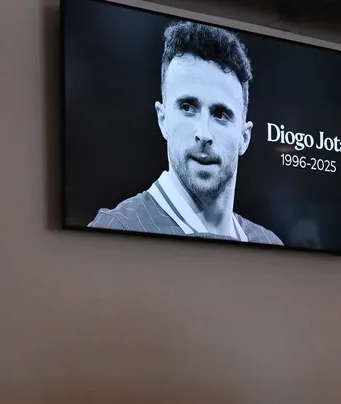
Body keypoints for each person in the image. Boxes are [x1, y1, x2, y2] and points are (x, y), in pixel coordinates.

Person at [89, 21, 283, 245]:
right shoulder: (115, 229)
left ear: (244, 137)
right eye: (187, 107)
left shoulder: (269, 244)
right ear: (163, 120)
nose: (204, 134)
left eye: (220, 114)